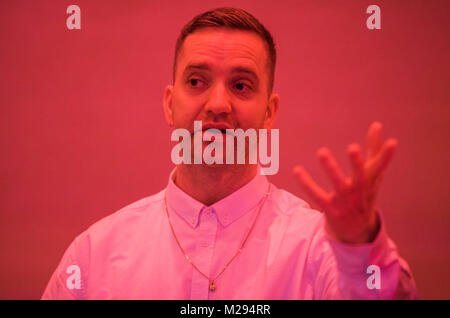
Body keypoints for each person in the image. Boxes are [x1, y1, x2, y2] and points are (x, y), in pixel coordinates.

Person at [42, 7, 417, 299]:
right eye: (196, 81)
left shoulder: (320, 250)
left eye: (241, 85)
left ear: (269, 113)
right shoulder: (94, 256)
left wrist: (361, 247)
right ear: (170, 105)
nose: (218, 104)